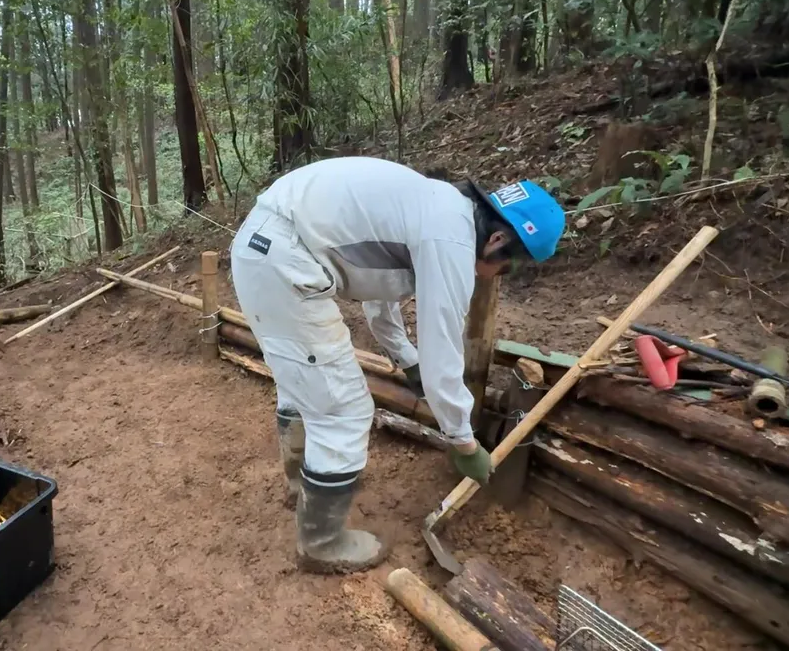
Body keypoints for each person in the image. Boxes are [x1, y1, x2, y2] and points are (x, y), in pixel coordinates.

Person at [229, 157, 565, 574]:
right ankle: (322, 543)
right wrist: (464, 442)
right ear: (497, 239)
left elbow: (380, 297)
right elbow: (443, 350)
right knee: (343, 410)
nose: (495, 277)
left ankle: (304, 487)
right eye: (506, 268)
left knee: (304, 384)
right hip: (285, 261)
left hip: (266, 246)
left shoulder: (435, 207)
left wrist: (408, 361)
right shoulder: (452, 240)